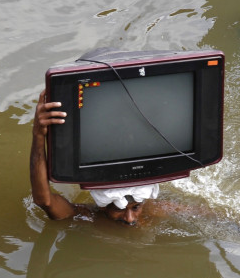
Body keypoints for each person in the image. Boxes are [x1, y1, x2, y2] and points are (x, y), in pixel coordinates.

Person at [30, 90, 160, 226]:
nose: (129, 219)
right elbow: (44, 201)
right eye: (118, 209)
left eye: (135, 208)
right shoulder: (87, 216)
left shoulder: (155, 210)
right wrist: (38, 135)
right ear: (103, 206)